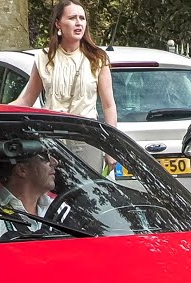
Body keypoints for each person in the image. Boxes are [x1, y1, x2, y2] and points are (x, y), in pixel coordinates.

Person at [9, 1, 116, 170]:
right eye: (72, 18)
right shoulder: (44, 57)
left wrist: (111, 148)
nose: (79, 22)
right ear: (58, 23)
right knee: (53, 194)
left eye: (82, 18)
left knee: (87, 194)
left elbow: (108, 106)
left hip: (87, 139)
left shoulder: (98, 58)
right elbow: (26, 100)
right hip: (52, 140)